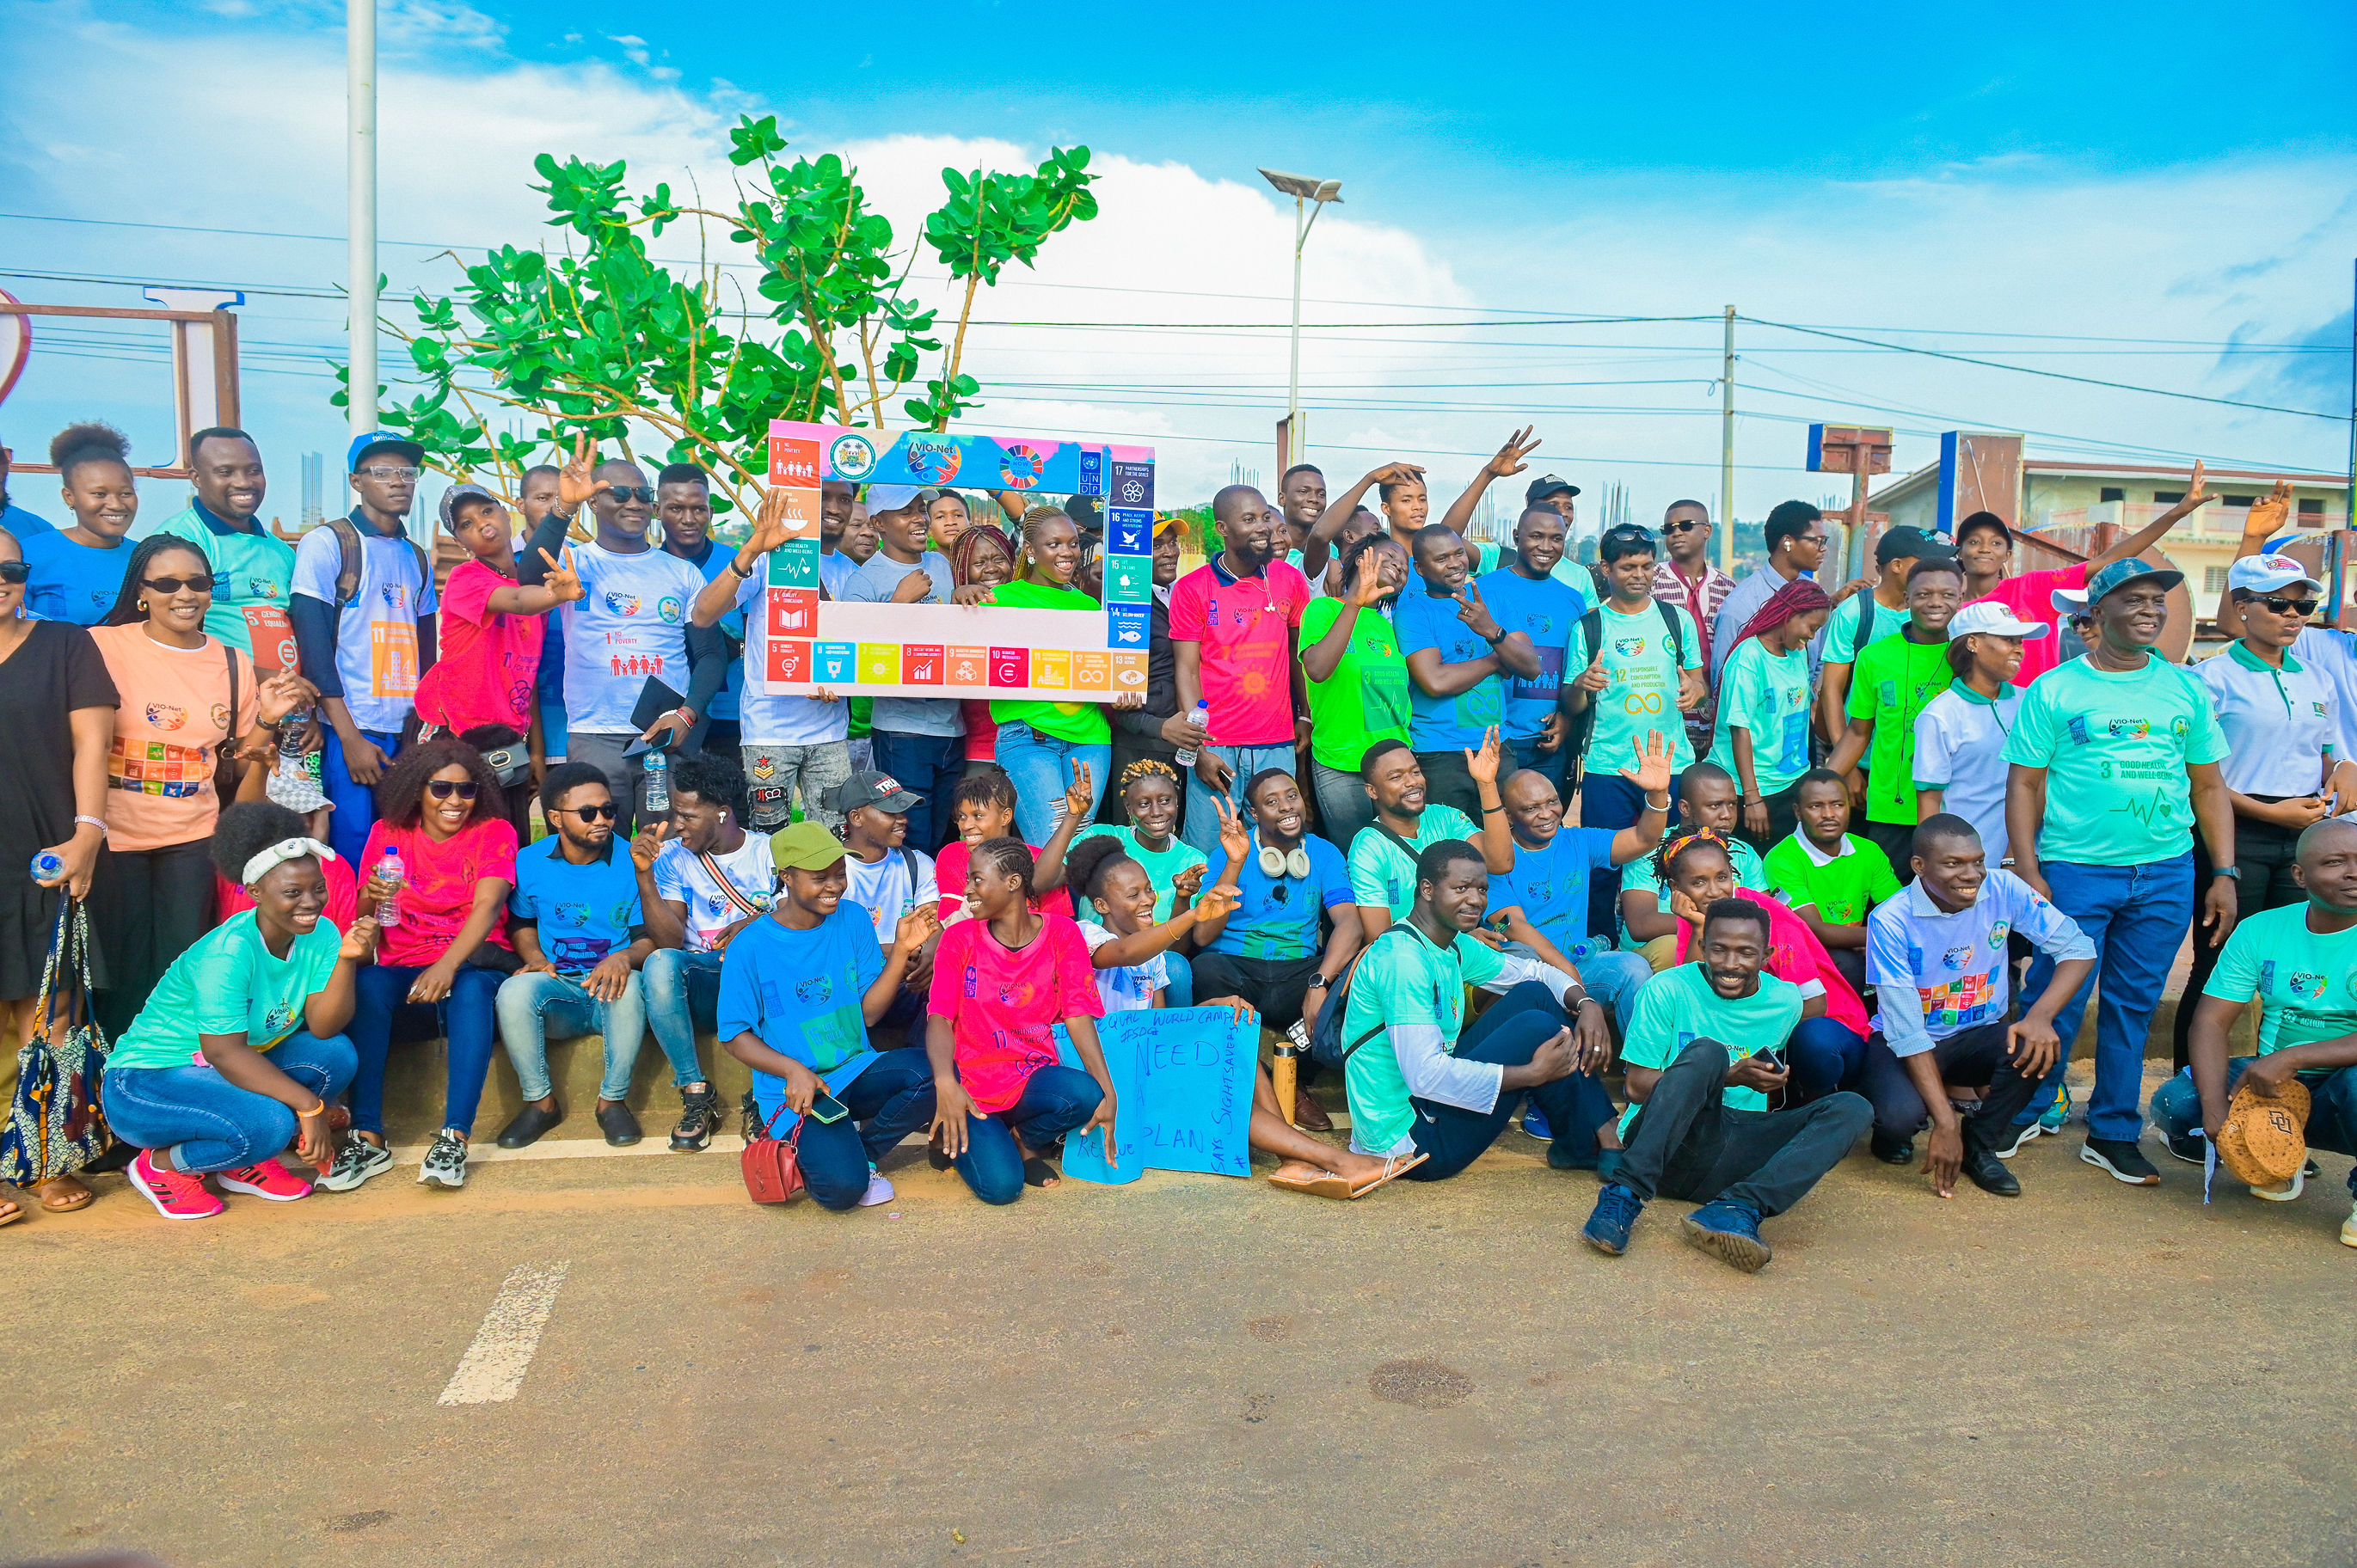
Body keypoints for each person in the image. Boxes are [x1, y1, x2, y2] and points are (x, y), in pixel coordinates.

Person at [2004, 555, 2237, 1186]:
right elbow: (2023, 784)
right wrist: (2027, 867)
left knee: (2132, 1005)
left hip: (2164, 872)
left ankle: (2110, 1131)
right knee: (2055, 996)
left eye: (2157, 601)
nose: (2149, 610)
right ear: (2095, 613)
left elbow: (2209, 787)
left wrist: (2223, 872)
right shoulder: (2054, 689)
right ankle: (2022, 1109)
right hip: (2076, 870)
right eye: (2133, 600)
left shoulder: (2184, 688)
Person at [1580, 897, 1874, 1273]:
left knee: (1853, 1107)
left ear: (1766, 955)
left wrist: (1771, 1081)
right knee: (1708, 1054)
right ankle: (1624, 1195)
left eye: (1746, 953)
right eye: (1719, 950)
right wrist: (1731, 1074)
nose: (1731, 965)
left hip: (1732, 1157)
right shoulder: (1666, 988)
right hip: (1668, 1147)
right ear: (1702, 947)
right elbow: (1636, 1088)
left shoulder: (1785, 1001)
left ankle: (1738, 1208)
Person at [89, 536, 307, 1040]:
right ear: (140, 592)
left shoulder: (233, 663)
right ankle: (116, 1088)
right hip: (110, 840)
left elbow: (239, 772)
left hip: (191, 842)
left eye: (198, 582)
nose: (184, 594)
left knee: (180, 970)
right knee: (115, 976)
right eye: (166, 583)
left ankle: (171, 1078)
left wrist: (269, 721)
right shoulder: (98, 646)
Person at [100, 824, 373, 1221]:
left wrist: (346, 960)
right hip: (146, 1082)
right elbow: (223, 1051)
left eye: (318, 889)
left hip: (218, 1070)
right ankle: (160, 1165)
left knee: (334, 1054)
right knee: (270, 1124)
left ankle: (239, 1158)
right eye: (293, 893)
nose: (311, 902)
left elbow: (324, 1026)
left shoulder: (322, 933)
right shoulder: (227, 954)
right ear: (256, 893)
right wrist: (309, 1108)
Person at [2170, 554, 2355, 1075]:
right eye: (2278, 603)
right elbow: (2199, 777)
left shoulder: (2317, 679)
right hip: (2235, 834)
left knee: (2296, 962)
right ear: (2241, 607)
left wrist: (2338, 769)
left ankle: (2281, 1103)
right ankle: (2191, 1097)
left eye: (2303, 604)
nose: (2293, 615)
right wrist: (2271, 815)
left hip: (2304, 837)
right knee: (2217, 966)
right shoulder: (2211, 679)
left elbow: (2321, 753)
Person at [1338, 838, 1617, 1183]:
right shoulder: (1403, 960)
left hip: (1428, 1103)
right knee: (1537, 1026)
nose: (1476, 900)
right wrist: (1533, 1074)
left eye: (1482, 889)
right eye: (1462, 888)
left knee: (1536, 995)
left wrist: (1586, 1004)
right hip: (1411, 1143)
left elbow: (1537, 973)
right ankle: (1589, 1144)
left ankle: (1598, 1137)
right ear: (1427, 889)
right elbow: (1426, 1076)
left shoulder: (1452, 943)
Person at [1860, 816, 2096, 1192]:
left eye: (1977, 861)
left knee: (2034, 1044)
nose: (1971, 874)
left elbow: (2079, 948)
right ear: (1919, 866)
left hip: (1974, 1037)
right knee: (1899, 1119)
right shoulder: (1891, 919)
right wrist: (1945, 1122)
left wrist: (2040, 1016)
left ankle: (1980, 1145)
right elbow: (1905, 1032)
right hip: (1904, 1045)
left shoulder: (2004, 889)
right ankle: (1900, 1127)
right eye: (1953, 864)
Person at [720, 821, 942, 1211]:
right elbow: (734, 1035)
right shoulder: (749, 946)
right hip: (800, 1092)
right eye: (819, 877)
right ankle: (825, 1148)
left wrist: (902, 951)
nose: (834, 886)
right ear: (785, 877)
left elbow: (870, 1015)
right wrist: (792, 1070)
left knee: (936, 1075)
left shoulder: (854, 919)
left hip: (855, 1068)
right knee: (841, 1194)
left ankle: (861, 1150)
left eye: (840, 874)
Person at [2158, 818, 2357, 1234]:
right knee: (2177, 1104)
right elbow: (2211, 1021)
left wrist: (2295, 1055)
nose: (2353, 872)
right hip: (2274, 1084)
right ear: (2299, 875)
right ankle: (2283, 1151)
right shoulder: (2262, 929)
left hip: (2343, 1081)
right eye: (2336, 862)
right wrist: (2215, 1109)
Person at [336, 738, 518, 1193]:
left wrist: (446, 966)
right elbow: (365, 912)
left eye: (467, 790)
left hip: (472, 966)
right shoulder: (389, 833)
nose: (455, 801)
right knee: (371, 983)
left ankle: (454, 1136)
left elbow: (488, 906)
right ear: (418, 789)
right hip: (406, 972)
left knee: (473, 990)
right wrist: (369, 897)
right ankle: (367, 1135)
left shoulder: (494, 831)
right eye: (441, 789)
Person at [516, 439, 725, 834]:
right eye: (620, 493)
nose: (634, 503)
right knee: (596, 850)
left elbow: (711, 654)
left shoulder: (682, 573)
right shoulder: (574, 562)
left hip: (664, 737)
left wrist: (687, 714)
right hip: (595, 734)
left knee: (664, 851)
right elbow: (526, 577)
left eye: (643, 495)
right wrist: (564, 507)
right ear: (594, 502)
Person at [0, 529, 114, 1221]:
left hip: (41, 856)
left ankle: (45, 1158)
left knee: (51, 1013)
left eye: (10, 569)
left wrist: (86, 836)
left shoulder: (65, 644)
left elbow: (92, 744)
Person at [924, 838, 1118, 1202]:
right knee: (1002, 1188)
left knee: (1087, 1094)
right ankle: (968, 1136)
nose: (967, 890)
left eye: (977, 880)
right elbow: (939, 1016)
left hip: (1031, 1076)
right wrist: (945, 1083)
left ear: (1013, 883)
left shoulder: (1063, 933)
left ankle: (1024, 1140)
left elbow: (1077, 1013)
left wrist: (1109, 1092)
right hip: (974, 1086)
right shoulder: (959, 938)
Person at [287, 432, 439, 862]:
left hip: (406, 729)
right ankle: (350, 930)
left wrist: (421, 729)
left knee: (401, 847)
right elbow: (313, 643)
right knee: (352, 847)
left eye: (407, 473)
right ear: (356, 481)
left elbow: (426, 653)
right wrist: (349, 736)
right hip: (349, 728)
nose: (399, 482)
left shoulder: (418, 556)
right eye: (382, 473)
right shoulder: (330, 542)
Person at [494, 763, 654, 1150]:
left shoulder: (632, 862)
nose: (602, 820)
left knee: (629, 985)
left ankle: (612, 1101)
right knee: (513, 992)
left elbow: (649, 938)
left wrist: (623, 959)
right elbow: (521, 922)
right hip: (559, 990)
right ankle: (540, 1102)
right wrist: (533, 957)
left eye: (609, 810)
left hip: (611, 992)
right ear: (555, 818)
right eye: (588, 813)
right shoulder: (530, 861)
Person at [1660, 830, 1872, 1106]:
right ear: (1677, 889)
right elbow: (1689, 993)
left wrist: (1756, 1034)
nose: (1714, 891)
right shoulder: (1695, 916)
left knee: (1814, 1040)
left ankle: (1814, 1103)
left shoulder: (1765, 920)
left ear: (1733, 874)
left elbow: (1815, 1004)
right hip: (1754, 1026)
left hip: (1826, 1027)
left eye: (1722, 877)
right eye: (1699, 882)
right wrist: (1698, 925)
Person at [1565, 523, 1706, 936]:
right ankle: (1601, 947)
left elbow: (1697, 681)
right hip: (1608, 769)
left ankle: (1680, 945)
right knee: (1605, 867)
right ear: (1606, 568)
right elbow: (1571, 704)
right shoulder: (1590, 627)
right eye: (1628, 567)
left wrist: (1693, 690)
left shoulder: (1676, 620)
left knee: (1676, 860)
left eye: (1647, 565)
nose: (1639, 575)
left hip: (1671, 765)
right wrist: (1581, 685)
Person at [1958, 464, 2218, 689]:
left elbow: (2106, 561)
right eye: (1974, 541)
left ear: (2008, 554)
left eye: (1995, 543)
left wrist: (2178, 512)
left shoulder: (2033, 588)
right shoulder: (1950, 608)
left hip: (2037, 715)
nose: (1983, 548)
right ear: (1960, 551)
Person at [689, 485, 852, 835]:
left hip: (831, 731)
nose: (835, 508)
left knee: (835, 837)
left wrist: (849, 680)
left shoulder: (851, 571)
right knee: (768, 839)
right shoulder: (768, 559)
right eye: (824, 497)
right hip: (769, 730)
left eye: (845, 499)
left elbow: (859, 645)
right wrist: (750, 548)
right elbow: (702, 615)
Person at [634, 753, 772, 1151]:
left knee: (767, 961)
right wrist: (646, 875)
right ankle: (696, 1093)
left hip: (754, 978)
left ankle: (762, 1098)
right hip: (706, 976)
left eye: (689, 816)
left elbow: (797, 921)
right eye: (677, 813)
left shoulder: (768, 853)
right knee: (659, 963)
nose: (678, 824)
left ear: (723, 814)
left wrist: (755, 926)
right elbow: (668, 941)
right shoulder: (673, 857)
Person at [1486, 740, 1670, 1033]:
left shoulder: (1577, 841)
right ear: (1508, 815)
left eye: (1551, 802)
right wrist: (1566, 974)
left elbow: (1643, 840)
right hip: (1527, 974)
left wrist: (1658, 794)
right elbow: (1512, 926)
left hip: (1579, 966)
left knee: (1633, 969)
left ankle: (1641, 1068)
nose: (1547, 814)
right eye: (1531, 808)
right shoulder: (1496, 858)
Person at [1168, 485, 1313, 854]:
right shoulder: (1192, 588)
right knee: (1209, 851)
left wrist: (1305, 715)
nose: (1262, 527)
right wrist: (1197, 750)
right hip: (1217, 746)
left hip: (1276, 743)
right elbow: (1186, 672)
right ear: (1223, 529)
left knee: (1278, 847)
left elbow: (1298, 655)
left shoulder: (1289, 580)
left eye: (1265, 517)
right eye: (1248, 520)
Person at [987, 506, 1126, 843]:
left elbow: (1102, 671)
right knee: (1050, 846)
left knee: (1078, 847)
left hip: (1090, 739)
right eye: (1054, 545)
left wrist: (1124, 687)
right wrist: (958, 598)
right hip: (1027, 737)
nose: (1067, 553)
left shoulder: (1089, 606)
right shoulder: (999, 599)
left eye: (1073, 544)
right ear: (1030, 551)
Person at [1189, 771, 1363, 1039]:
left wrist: (1320, 983)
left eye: (1292, 796)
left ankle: (1294, 1058)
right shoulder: (1227, 851)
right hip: (1236, 970)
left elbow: (1349, 925)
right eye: (1271, 802)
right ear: (1254, 813)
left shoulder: (1325, 853)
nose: (1286, 806)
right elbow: (1202, 935)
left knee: (1353, 971)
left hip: (1298, 975)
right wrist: (1235, 863)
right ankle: (1257, 1059)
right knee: (1206, 967)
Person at [842, 489, 967, 852]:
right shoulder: (864, 582)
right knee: (910, 835)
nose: (919, 519)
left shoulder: (941, 565)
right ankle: (910, 907)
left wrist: (965, 595)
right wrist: (898, 604)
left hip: (951, 727)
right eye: (904, 512)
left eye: (920, 510)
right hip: (901, 733)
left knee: (944, 836)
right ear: (879, 523)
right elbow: (855, 658)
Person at [1389, 523, 1540, 818]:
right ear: (1419, 568)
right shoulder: (1413, 612)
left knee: (1504, 844)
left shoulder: (1492, 600)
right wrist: (1497, 660)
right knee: (1450, 848)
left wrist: (1492, 631)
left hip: (1497, 747)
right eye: (1441, 559)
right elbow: (1435, 681)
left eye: (1459, 553)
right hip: (1440, 753)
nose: (1455, 563)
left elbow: (1531, 666)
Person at [1823, 556, 1965, 870]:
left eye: (1947, 595)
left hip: (1957, 811)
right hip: (1890, 811)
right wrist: (1825, 783)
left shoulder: (1970, 654)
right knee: (1886, 905)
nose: (1935, 603)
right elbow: (1859, 732)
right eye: (1924, 594)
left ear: (1961, 599)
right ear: (1906, 599)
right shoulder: (1874, 657)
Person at [414, 484, 581, 743]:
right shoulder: (465, 579)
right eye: (467, 524)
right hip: (457, 729)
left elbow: (528, 670)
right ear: (460, 542)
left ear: (505, 514)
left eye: (487, 511)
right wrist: (556, 595)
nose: (482, 524)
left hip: (510, 734)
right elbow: (517, 601)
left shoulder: (531, 584)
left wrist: (535, 752)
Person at [1039, 758, 1208, 1004]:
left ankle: (1170, 1039)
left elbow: (1172, 953)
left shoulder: (1193, 860)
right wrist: (1073, 817)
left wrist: (1183, 899)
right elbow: (1040, 882)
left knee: (1177, 968)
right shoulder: (1104, 838)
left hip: (1152, 964)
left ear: (1177, 802)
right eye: (1143, 804)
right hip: (1098, 959)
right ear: (1128, 808)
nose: (1157, 812)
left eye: (1165, 801)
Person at [141, 427, 298, 668]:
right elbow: (169, 638)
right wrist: (254, 677)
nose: (244, 482)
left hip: (285, 699)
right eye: (226, 472)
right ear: (196, 478)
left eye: (254, 471)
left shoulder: (281, 551)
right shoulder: (178, 542)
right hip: (214, 697)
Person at [1299, 533, 1411, 847]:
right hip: (1342, 765)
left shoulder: (1387, 625)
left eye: (1403, 568)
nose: (1398, 567)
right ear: (1361, 559)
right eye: (1389, 557)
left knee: (1397, 855)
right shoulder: (1322, 610)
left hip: (1394, 763)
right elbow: (1318, 670)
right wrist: (1354, 604)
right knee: (1355, 858)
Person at [1912, 602, 2042, 865]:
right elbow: (1930, 802)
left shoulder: (2030, 702)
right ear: (1973, 643)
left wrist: (2018, 856)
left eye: (2020, 641)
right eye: (2008, 639)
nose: (2019, 649)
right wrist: (1937, 868)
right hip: (1969, 865)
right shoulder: (1939, 715)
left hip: (2030, 859)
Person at [1348, 736, 1515, 940]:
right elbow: (1381, 940)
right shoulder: (1368, 848)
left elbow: (1501, 862)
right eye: (1396, 777)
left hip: (1466, 950)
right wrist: (1464, 943)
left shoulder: (1446, 818)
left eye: (1415, 772)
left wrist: (1486, 784)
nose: (1412, 782)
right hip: (1413, 961)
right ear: (1372, 791)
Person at [1714, 579, 1833, 851]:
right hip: (1756, 788)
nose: (1812, 637)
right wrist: (1753, 798)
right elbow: (1739, 728)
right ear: (1790, 614)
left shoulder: (1797, 653)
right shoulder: (1749, 657)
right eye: (1811, 628)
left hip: (1791, 781)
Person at [1476, 505, 1587, 792]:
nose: (1546, 547)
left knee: (1544, 827)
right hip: (1492, 740)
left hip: (1548, 742)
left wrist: (1567, 718)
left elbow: (1575, 671)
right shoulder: (1483, 590)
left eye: (1556, 538)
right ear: (1516, 536)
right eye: (1536, 536)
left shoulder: (1573, 600)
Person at [1813, 527, 1955, 748]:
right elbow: (1832, 689)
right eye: (1924, 560)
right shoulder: (1855, 613)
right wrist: (1845, 757)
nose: (1932, 569)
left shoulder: (1929, 612)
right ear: (1897, 566)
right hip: (1863, 750)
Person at [1764, 769, 1900, 997]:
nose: (1829, 814)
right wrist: (1877, 938)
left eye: (1838, 804)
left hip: (1857, 941)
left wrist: (1877, 941)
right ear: (1798, 812)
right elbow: (1815, 930)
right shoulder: (1782, 859)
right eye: (1816, 806)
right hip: (1807, 951)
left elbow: (1898, 912)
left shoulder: (1868, 851)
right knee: (1849, 964)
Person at [1618, 762, 1771, 968]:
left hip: (1725, 946)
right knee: (1671, 947)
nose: (1727, 814)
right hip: (1653, 953)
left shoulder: (1743, 853)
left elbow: (1766, 914)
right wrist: (1704, 922)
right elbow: (1641, 924)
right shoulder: (1650, 848)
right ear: (1685, 808)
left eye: (1732, 804)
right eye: (1715, 805)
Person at [653, 462, 745, 756]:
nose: (688, 519)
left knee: (729, 799)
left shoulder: (740, 565)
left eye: (699, 509)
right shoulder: (646, 569)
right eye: (676, 509)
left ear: (711, 512)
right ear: (657, 511)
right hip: (667, 709)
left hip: (732, 712)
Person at [26, 422, 138, 625]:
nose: (115, 504)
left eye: (126, 493)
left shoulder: (146, 559)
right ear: (69, 497)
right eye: (99, 494)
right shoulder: (29, 555)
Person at [1650, 499, 1734, 760]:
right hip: (1663, 711)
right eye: (1668, 529)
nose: (1676, 533)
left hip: (1715, 714)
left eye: (1685, 526)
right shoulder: (1651, 581)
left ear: (1707, 531)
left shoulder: (1728, 587)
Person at [1709, 501, 1830, 685]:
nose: (1824, 548)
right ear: (1787, 542)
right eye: (1818, 541)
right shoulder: (1741, 606)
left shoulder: (1814, 595)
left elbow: (1816, 663)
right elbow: (1724, 680)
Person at [949, 525, 1018, 776]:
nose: (991, 568)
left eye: (999, 559)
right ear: (961, 570)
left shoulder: (1028, 607)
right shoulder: (954, 610)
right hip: (979, 752)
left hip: (1032, 750)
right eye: (979, 562)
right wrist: (955, 600)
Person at [1274, 463, 1326, 575]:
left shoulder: (1331, 552)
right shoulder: (1268, 551)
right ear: (1282, 499)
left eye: (1321, 494)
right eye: (1303, 491)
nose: (1314, 499)